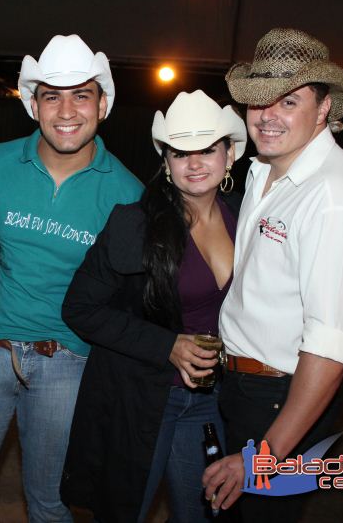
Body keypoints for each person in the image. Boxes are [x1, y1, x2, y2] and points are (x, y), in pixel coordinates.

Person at [0, 34, 144, 522]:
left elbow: (134, 297)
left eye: (81, 95)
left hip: (68, 361)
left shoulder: (128, 193)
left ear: (104, 104)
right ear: (33, 104)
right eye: (52, 95)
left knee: (52, 504)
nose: (66, 110)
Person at [202, 28, 343, 522]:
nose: (267, 116)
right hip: (244, 392)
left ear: (324, 108)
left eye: (289, 101)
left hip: (281, 405)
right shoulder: (265, 170)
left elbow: (332, 343)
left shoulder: (335, 198)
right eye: (258, 102)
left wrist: (265, 455)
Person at [60, 90, 247, 522]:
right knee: (126, 510)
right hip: (146, 397)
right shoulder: (135, 223)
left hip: (213, 399)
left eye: (207, 150)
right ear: (165, 161)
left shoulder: (248, 215)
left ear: (230, 154)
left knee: (206, 513)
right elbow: (80, 308)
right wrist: (167, 345)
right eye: (181, 153)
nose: (195, 163)